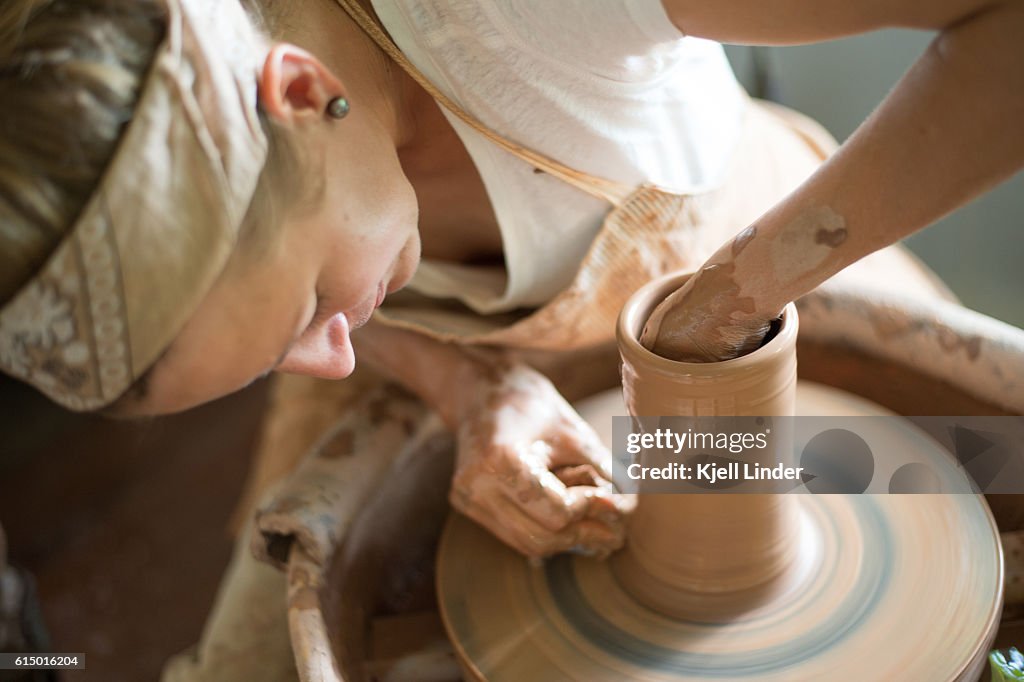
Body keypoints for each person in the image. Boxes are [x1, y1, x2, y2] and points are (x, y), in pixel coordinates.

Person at [1, 0, 1021, 566]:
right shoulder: (266, 196)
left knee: (996, 482)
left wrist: (739, 295)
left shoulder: (535, 13)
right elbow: (341, 326)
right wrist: (469, 387)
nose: (338, 355)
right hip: (517, 383)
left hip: (766, 277)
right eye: (276, 350)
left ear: (306, 93)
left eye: (312, 311)